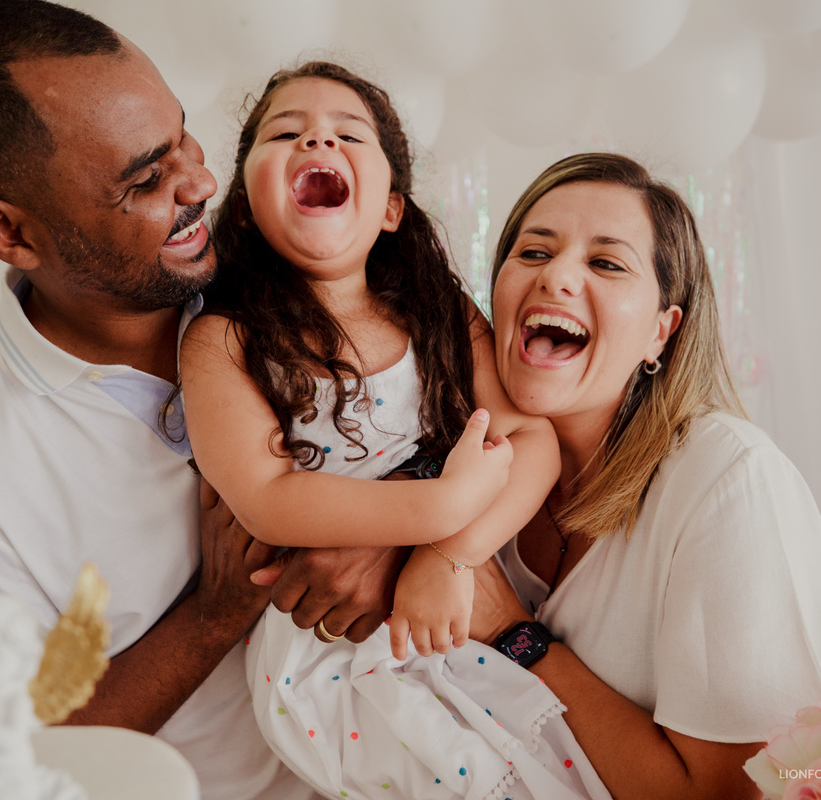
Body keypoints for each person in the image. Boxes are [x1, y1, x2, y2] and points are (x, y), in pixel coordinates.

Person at [0, 4, 391, 798]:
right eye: (144, 179)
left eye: (183, 136)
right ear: (11, 233)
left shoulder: (288, 260)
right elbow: (10, 769)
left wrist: (390, 532)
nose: (199, 180)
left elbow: (464, 405)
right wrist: (214, 613)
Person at [179, 62, 601, 799]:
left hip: (453, 608)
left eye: (349, 134)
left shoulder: (436, 309)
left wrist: (451, 553)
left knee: (543, 772)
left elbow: (530, 442)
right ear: (245, 204)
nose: (318, 137)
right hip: (329, 645)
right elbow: (267, 497)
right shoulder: (223, 340)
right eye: (287, 131)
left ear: (391, 210)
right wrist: (438, 509)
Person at [460, 153, 821, 799]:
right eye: (533, 253)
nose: (556, 275)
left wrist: (512, 632)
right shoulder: (462, 465)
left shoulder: (730, 482)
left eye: (606, 262)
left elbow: (730, 794)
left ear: (660, 333)